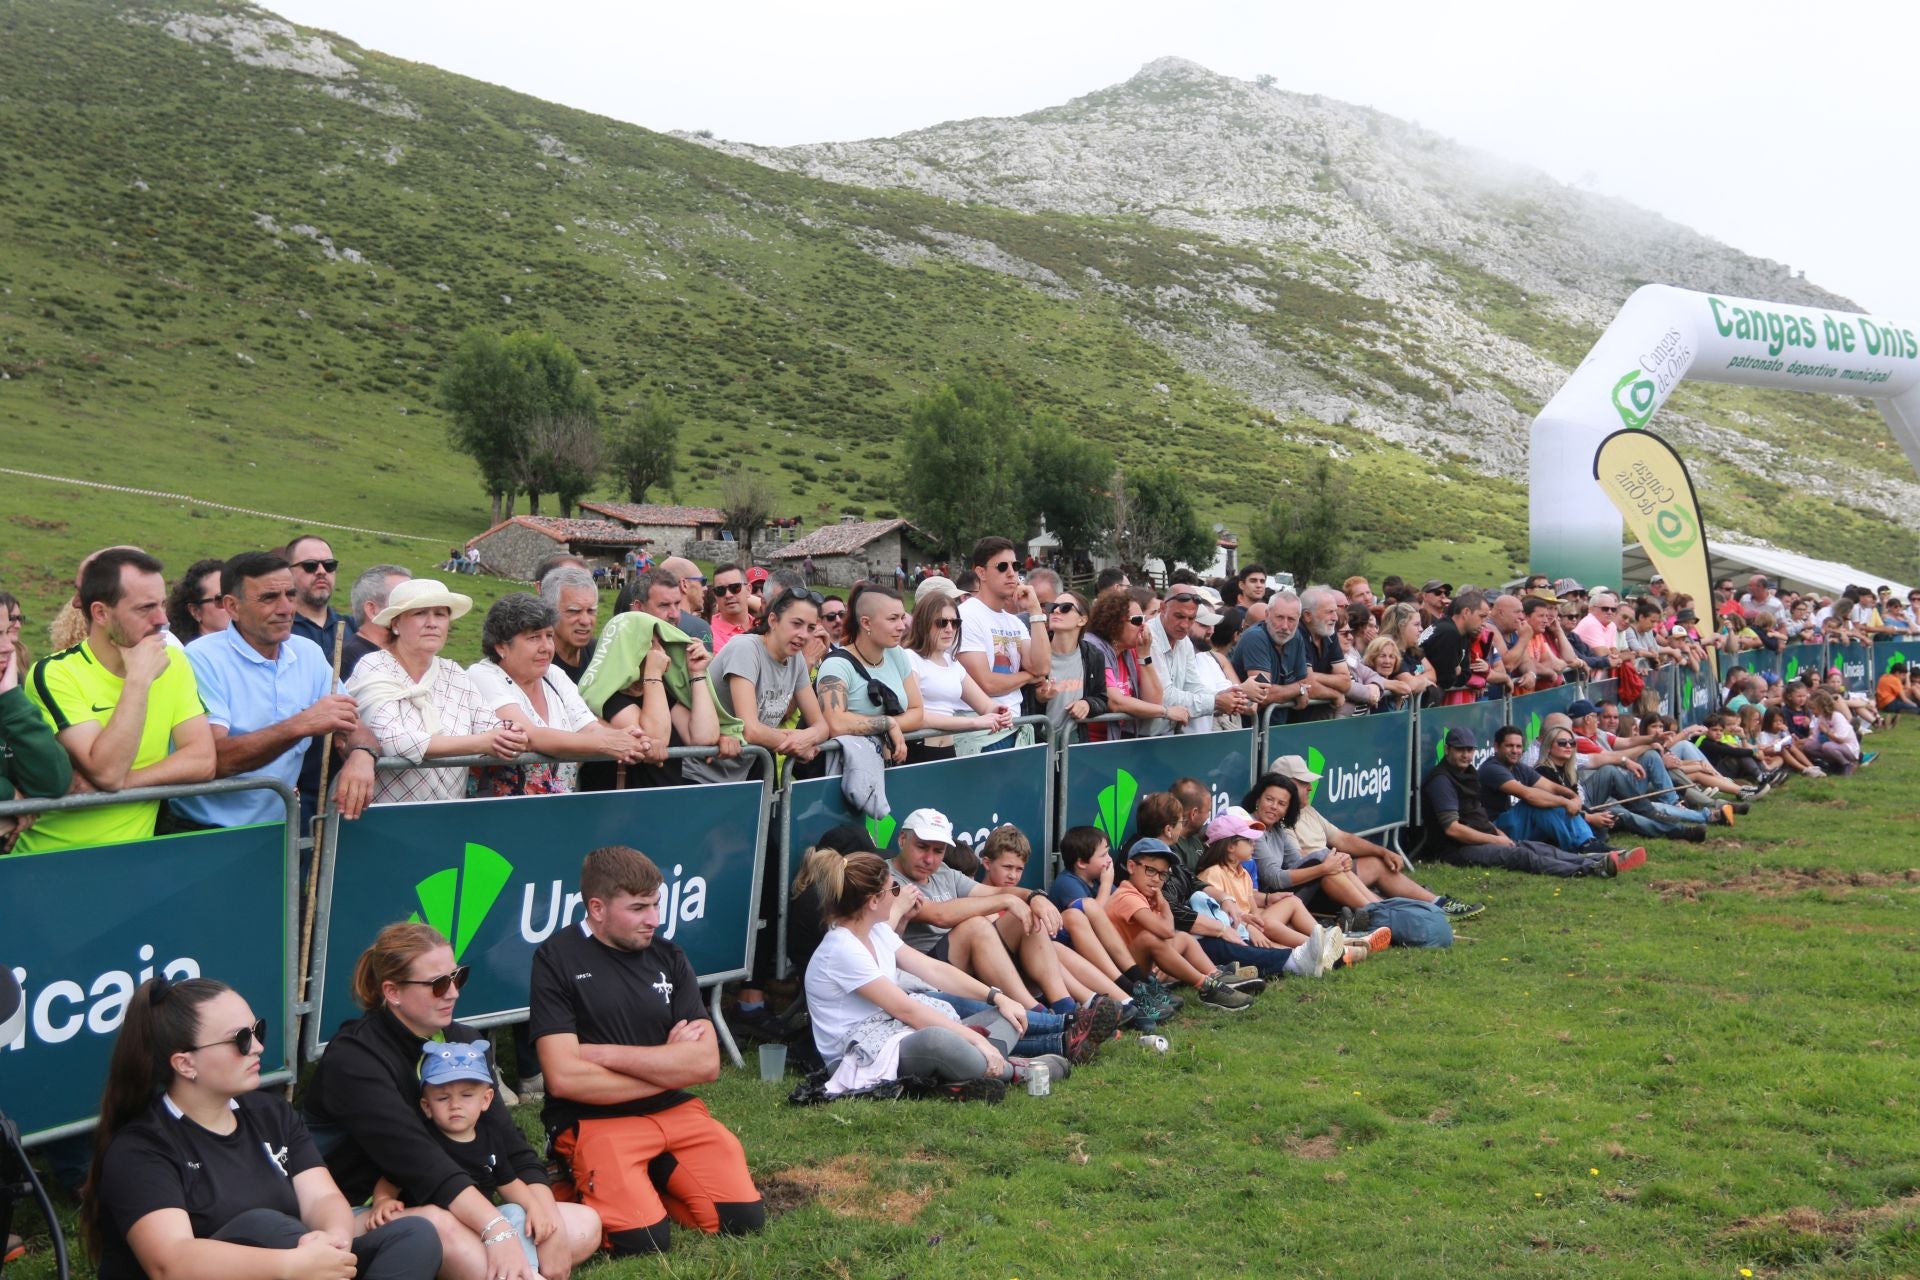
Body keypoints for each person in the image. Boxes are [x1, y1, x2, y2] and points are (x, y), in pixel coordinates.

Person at [87, 976, 441, 1280]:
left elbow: (322, 1197)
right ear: (185, 1063)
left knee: (414, 1234)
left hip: (296, 1262)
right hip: (273, 1265)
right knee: (264, 1227)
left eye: (257, 1030)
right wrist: (290, 1264)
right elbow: (171, 1262)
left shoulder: (270, 1112)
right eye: (240, 1039)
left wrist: (334, 1242)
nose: (257, 1047)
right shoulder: (141, 1148)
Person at [304, 923, 583, 1280]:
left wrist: (549, 1220)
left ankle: (502, 1265)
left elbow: (509, 1144)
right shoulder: (354, 1058)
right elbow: (419, 1161)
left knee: (582, 1225)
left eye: (457, 977)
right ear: (392, 992)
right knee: (438, 1226)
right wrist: (496, 1228)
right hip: (361, 1212)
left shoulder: (462, 1039)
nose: (452, 993)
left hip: (443, 1201)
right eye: (438, 984)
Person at [531, 846, 765, 1256]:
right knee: (641, 1242)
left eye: (656, 905)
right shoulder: (556, 958)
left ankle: (651, 1174)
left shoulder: (669, 954)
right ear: (597, 908)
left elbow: (707, 1064)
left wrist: (601, 1054)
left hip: (676, 1111)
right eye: (639, 908)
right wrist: (668, 1064)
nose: (653, 919)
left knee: (741, 1221)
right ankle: (584, 1176)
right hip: (595, 1120)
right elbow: (564, 1078)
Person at [798, 848, 1071, 1099]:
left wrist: (997, 997)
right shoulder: (841, 949)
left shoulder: (876, 930)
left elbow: (934, 970)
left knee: (1006, 1016)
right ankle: (1018, 1071)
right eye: (892, 888)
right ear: (872, 901)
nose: (898, 893)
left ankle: (959, 1074)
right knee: (937, 1039)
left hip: (894, 1034)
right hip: (861, 1054)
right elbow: (906, 1010)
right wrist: (975, 1038)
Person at [19, 547, 215, 853]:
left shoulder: (174, 662)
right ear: (100, 613)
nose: (162, 619)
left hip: (131, 860)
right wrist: (137, 680)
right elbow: (108, 770)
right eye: (145, 608)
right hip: (52, 857)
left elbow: (203, 761)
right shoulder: (55, 673)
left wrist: (125, 784)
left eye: (162, 604)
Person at [171, 551, 378, 832]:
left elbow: (353, 724)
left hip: (276, 830)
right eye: (269, 598)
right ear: (232, 606)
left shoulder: (308, 653)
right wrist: (300, 725)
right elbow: (212, 759)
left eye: (290, 595)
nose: (286, 608)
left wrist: (362, 756)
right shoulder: (200, 658)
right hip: (203, 831)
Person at [362, 1042, 601, 1279]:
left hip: (484, 1223)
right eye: (443, 1098)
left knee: (515, 1212)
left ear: (486, 1100)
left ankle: (526, 1270)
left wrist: (535, 1208)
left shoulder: (490, 1138)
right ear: (427, 1106)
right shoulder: (425, 1141)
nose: (455, 1105)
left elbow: (508, 1183)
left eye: (466, 1096)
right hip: (447, 1230)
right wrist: (383, 1200)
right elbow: (392, 1176)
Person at [346, 579, 527, 805]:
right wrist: (482, 742)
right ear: (395, 624)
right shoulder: (374, 667)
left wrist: (509, 733)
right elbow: (392, 740)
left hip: (449, 814)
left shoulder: (453, 673)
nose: (432, 623)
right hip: (386, 815)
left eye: (441, 615)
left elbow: (488, 724)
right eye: (420, 613)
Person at [889, 808, 1084, 1015]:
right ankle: (1038, 1015)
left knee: (1025, 915)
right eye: (922, 847)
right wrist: (1007, 900)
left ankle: (1067, 1008)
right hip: (923, 974)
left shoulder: (944, 872)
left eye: (938, 851)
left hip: (963, 966)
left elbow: (998, 891)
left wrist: (1033, 897)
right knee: (976, 926)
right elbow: (940, 915)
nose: (929, 859)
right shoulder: (886, 878)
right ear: (902, 840)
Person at [467, 593, 651, 796]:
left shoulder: (554, 675)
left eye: (549, 636)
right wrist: (609, 743)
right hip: (501, 813)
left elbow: (589, 728)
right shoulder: (483, 675)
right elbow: (529, 735)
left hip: (559, 808)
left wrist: (634, 741)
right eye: (533, 638)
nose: (546, 647)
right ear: (501, 646)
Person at [1424, 728, 1632, 876]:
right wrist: (1496, 840)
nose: (1466, 755)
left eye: (1470, 750)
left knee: (1538, 848)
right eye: (1460, 750)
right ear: (1448, 749)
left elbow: (1477, 814)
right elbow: (1453, 830)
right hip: (1456, 849)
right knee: (1523, 856)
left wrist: (1499, 835)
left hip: (1489, 833)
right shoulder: (1442, 781)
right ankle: (1590, 867)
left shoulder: (1467, 773)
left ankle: (1596, 859)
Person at [1103, 840, 1263, 1010]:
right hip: (1126, 975)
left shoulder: (1146, 896)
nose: (1157, 879)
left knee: (1184, 938)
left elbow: (1170, 933)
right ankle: (1206, 986)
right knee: (1149, 937)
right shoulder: (1127, 896)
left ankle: (1216, 976)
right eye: (1150, 870)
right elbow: (1165, 931)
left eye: (1163, 874)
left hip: (1145, 965)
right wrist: (1164, 905)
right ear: (1131, 866)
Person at [1478, 725, 1643, 862]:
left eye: (1518, 746)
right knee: (1540, 803)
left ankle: (1588, 844)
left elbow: (1550, 787)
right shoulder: (1492, 768)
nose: (1515, 750)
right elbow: (1529, 795)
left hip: (1520, 824)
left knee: (1550, 801)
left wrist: (1573, 797)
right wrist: (1566, 802)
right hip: (1497, 829)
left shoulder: (1519, 767)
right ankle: (1582, 847)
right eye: (1509, 746)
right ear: (1496, 747)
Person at [955, 537, 1050, 753]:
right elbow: (987, 684)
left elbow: (1042, 666)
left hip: (1015, 727)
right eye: (1002, 566)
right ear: (980, 573)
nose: (1011, 573)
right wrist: (1029, 677)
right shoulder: (966, 616)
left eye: (1015, 566)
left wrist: (1035, 611)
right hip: (983, 731)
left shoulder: (1015, 622)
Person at [815, 584, 924, 765]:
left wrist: (889, 725)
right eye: (892, 619)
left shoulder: (897, 654)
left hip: (894, 763)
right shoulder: (836, 665)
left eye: (902, 618)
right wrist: (887, 724)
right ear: (866, 623)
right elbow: (835, 722)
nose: (902, 626)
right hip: (851, 771)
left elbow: (917, 712)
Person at [901, 590, 1010, 763]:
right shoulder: (909, 657)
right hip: (917, 750)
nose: (949, 629)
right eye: (941, 623)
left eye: (955, 622)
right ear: (923, 623)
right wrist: (974, 723)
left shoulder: (951, 662)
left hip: (947, 750)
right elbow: (917, 716)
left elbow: (985, 705)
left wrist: (1000, 712)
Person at [0, 596, 71, 854]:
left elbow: (53, 782)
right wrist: (9, 796)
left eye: (8, 633)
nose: (8, 646)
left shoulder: (9, 701)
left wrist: (10, 697)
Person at [1082, 587, 1167, 741]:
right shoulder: (1094, 648)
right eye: (1137, 620)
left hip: (1116, 743)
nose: (1144, 626)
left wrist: (1144, 656)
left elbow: (1154, 701)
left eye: (1144, 619)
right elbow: (1115, 702)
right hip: (1090, 746)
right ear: (1114, 622)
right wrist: (1166, 712)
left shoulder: (1130, 651)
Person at [1230, 589, 1314, 725]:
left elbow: (1304, 681)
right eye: (1279, 617)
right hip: (1247, 730)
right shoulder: (1255, 637)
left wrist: (1299, 688)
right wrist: (1299, 689)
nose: (1285, 626)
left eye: (1291, 619)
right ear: (1267, 615)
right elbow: (1263, 695)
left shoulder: (1296, 636)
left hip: (1277, 729)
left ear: (1299, 620)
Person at [340, 564, 412, 678]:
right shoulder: (347, 660)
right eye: (402, 600)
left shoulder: (407, 657)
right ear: (372, 610)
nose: (415, 609)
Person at [284, 534, 353, 653]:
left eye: (329, 565)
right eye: (310, 565)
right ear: (288, 572)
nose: (321, 571)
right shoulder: (279, 629)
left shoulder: (353, 628)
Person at [541, 567, 600, 685]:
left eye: (591, 611)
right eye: (574, 611)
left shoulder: (600, 654)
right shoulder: (538, 663)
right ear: (549, 611)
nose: (586, 621)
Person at [162, 558, 231, 643]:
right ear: (196, 611)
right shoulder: (186, 653)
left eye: (238, 596)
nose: (234, 605)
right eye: (220, 599)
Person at [657, 557, 714, 645]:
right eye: (703, 581)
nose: (705, 588)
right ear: (684, 585)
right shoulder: (698, 626)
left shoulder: (652, 622)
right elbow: (704, 659)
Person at [707, 564, 754, 650]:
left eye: (735, 587)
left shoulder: (763, 627)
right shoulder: (707, 633)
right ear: (715, 595)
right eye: (720, 590)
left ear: (748, 589)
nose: (728, 595)